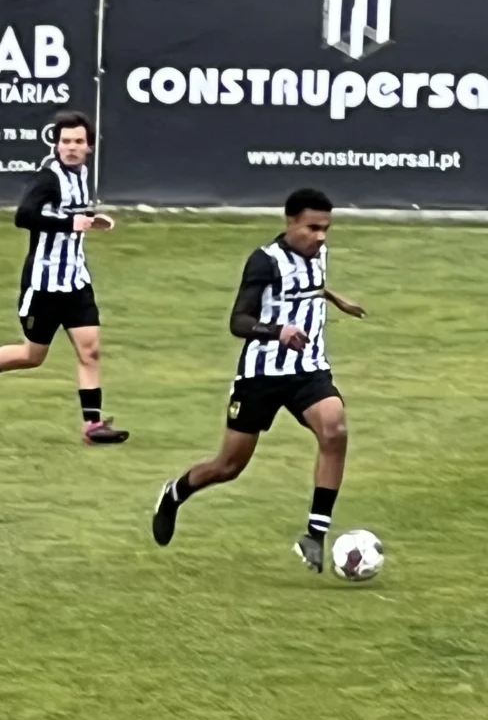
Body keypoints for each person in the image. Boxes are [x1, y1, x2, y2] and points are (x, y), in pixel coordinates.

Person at [150, 186, 367, 571]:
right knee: (228, 467)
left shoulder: (319, 252)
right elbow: (239, 321)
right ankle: (175, 492)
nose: (320, 236)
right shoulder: (263, 261)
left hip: (308, 369)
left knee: (334, 430)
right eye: (312, 227)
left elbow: (309, 284)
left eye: (326, 228)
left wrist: (336, 299)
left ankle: (314, 534)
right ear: (290, 223)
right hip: (260, 377)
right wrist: (278, 331)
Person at [0, 112, 128, 444]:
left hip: (76, 280)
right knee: (33, 356)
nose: (71, 148)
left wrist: (90, 219)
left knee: (90, 352)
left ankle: (92, 425)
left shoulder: (82, 174)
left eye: (78, 142)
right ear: (56, 144)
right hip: (43, 286)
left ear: (89, 147)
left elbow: (67, 214)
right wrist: (70, 224)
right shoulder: (48, 177)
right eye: (65, 142)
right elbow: (24, 216)